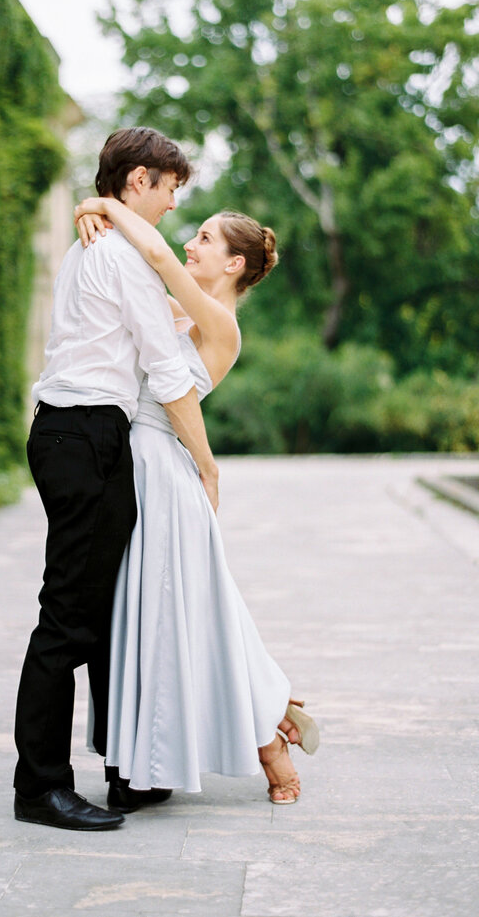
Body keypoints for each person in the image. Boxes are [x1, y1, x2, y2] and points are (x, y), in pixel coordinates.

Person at [74, 195, 319, 806]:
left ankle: (269, 738)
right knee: (186, 611)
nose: (191, 242)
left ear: (234, 265)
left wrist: (102, 199)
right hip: (135, 465)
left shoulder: (219, 322)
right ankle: (266, 710)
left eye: (207, 238)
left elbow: (153, 251)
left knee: (186, 612)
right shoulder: (178, 312)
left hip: (162, 469)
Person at [13, 128, 220, 832]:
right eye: (167, 189)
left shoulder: (91, 241)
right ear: (137, 182)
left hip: (82, 433)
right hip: (82, 433)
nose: (169, 206)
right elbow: (167, 373)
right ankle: (39, 787)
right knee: (68, 619)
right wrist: (208, 464)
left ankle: (128, 766)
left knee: (101, 617)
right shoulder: (120, 257)